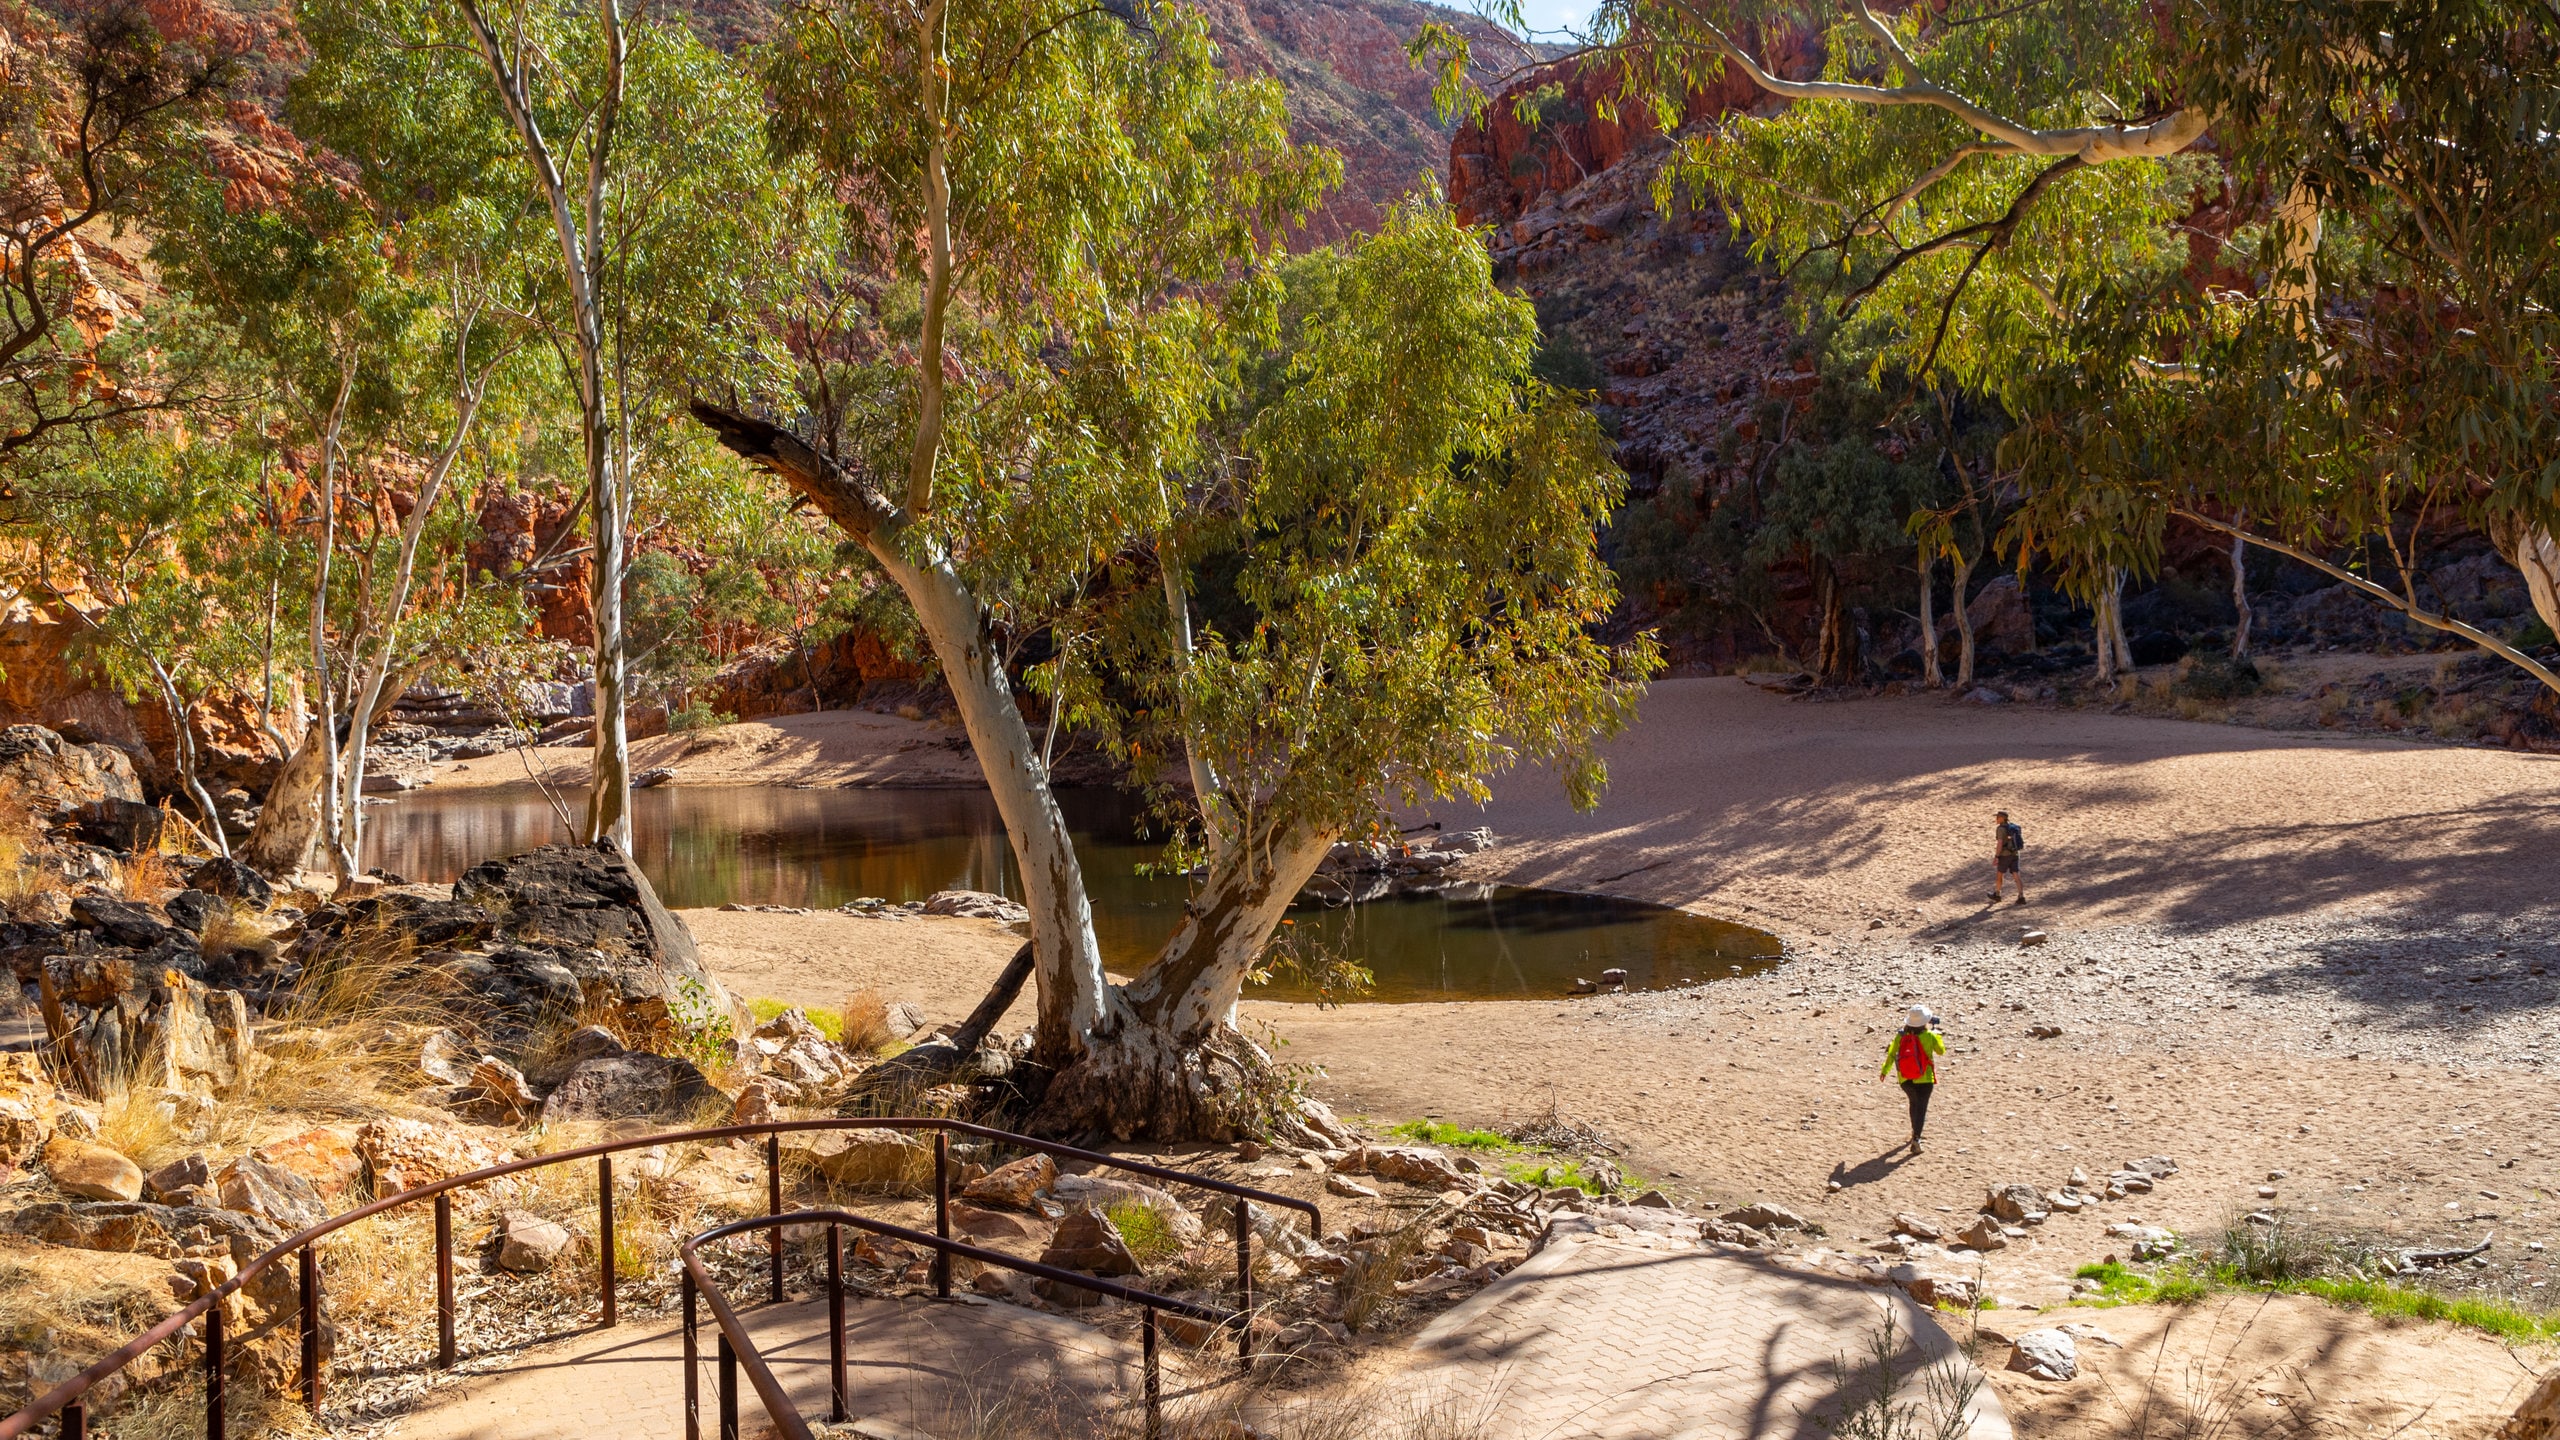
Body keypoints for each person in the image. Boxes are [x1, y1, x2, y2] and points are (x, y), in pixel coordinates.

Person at [1878, 1005, 1945, 1152]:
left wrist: (1884, 1071)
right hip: (1924, 1078)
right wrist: (1937, 1035)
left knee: (1913, 1103)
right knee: (1921, 1108)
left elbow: (1891, 1054)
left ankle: (1914, 1131)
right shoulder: (1930, 1036)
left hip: (1905, 1078)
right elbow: (1941, 1051)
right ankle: (1916, 1138)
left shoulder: (1901, 1036)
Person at [1989, 809, 2025, 905]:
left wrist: (1997, 856)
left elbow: (2000, 843)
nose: (1996, 819)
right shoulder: (2012, 827)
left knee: (2000, 874)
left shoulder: (2000, 829)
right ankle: (2021, 896)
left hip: (2005, 855)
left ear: (2002, 818)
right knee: (2016, 874)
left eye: (1997, 817)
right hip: (2015, 854)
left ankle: (1997, 894)